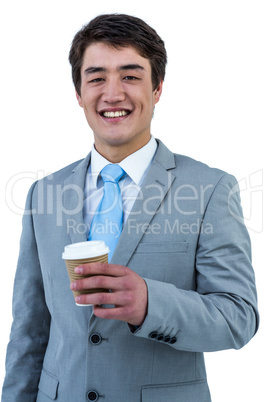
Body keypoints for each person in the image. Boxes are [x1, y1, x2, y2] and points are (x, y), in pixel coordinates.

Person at [2, 13, 259, 402]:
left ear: (157, 89)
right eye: (97, 77)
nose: (113, 93)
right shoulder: (44, 193)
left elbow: (238, 317)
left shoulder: (210, 189)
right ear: (79, 93)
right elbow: (30, 329)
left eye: (130, 75)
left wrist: (149, 302)